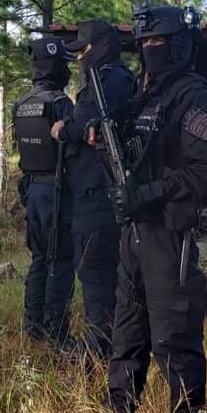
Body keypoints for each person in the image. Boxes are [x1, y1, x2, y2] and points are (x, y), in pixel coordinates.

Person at [106, 2, 207, 413]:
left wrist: (147, 193)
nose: (150, 50)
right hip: (133, 235)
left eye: (158, 42)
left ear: (179, 44)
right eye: (144, 44)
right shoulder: (146, 98)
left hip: (169, 234)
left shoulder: (195, 97)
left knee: (174, 340)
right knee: (127, 335)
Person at [52, 20, 135, 359]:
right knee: (100, 275)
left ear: (99, 47)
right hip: (93, 192)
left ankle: (101, 352)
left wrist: (62, 128)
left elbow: (85, 127)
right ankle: (108, 345)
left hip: (99, 196)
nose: (80, 58)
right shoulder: (107, 79)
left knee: (96, 275)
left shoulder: (109, 80)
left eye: (83, 51)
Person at [12, 37, 79, 355]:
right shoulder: (59, 103)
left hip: (32, 190)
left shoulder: (21, 103)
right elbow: (74, 148)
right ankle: (57, 332)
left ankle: (33, 326)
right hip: (57, 190)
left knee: (40, 258)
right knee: (61, 260)